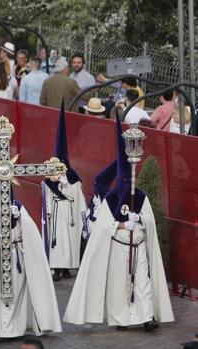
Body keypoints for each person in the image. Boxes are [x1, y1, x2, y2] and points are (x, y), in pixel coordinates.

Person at [65, 115, 174, 331]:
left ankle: (146, 317)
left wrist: (139, 219)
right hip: (119, 247)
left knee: (141, 281)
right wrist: (122, 225)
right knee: (119, 285)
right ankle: (121, 319)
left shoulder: (140, 196)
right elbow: (102, 227)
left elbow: (149, 221)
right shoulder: (112, 199)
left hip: (139, 245)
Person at [0, 183, 62, 345]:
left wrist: (20, 218)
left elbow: (31, 231)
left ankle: (14, 329)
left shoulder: (18, 207)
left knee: (16, 292)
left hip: (16, 258)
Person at [42, 103, 87, 281]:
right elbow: (46, 193)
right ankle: (58, 268)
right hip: (56, 211)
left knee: (69, 239)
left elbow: (77, 194)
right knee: (58, 240)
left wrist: (66, 184)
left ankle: (68, 267)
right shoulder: (49, 179)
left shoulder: (72, 177)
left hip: (68, 213)